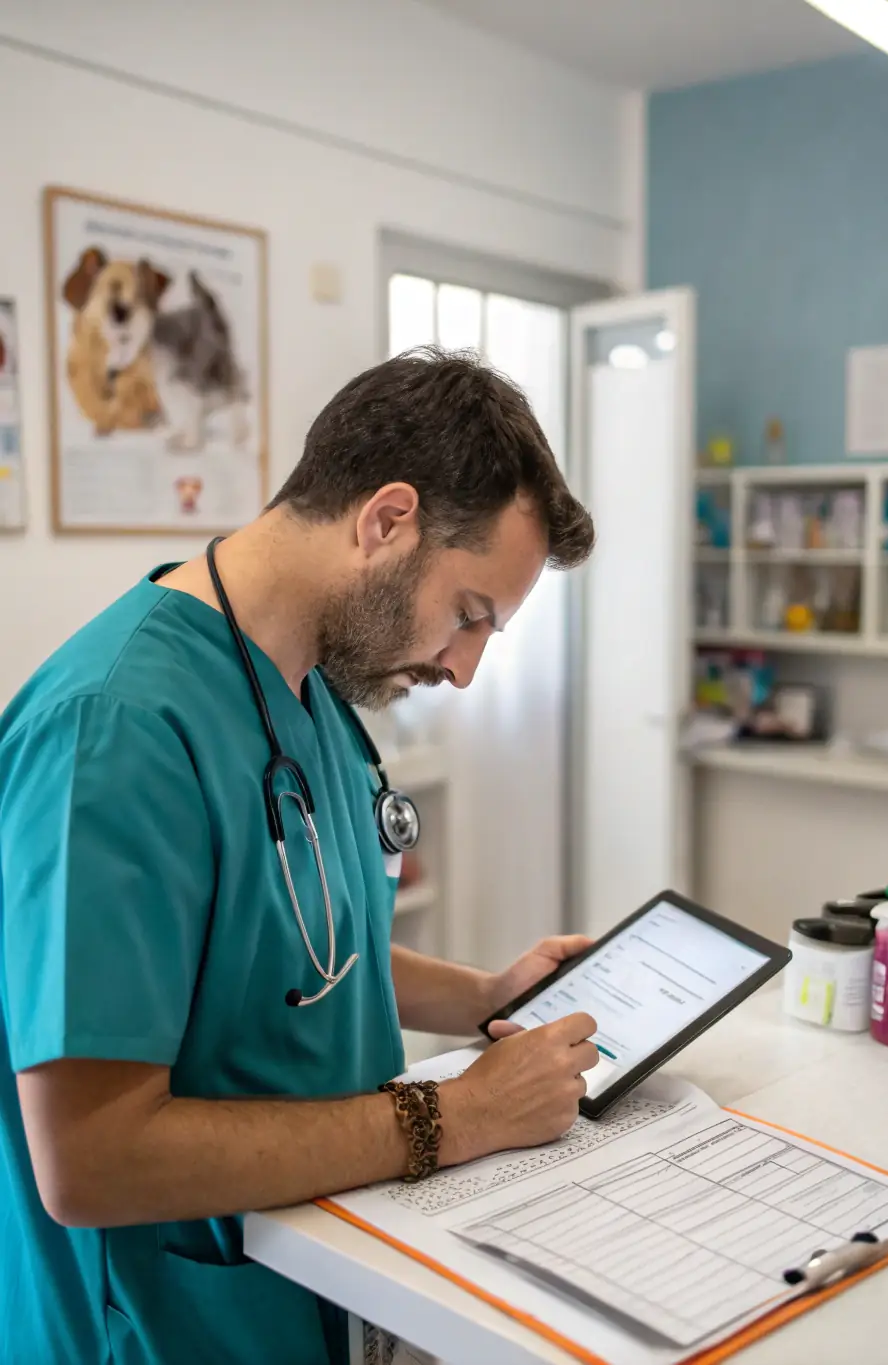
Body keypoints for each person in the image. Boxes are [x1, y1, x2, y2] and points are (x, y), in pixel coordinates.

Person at [0, 348, 600, 1365]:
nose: (463, 668)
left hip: (302, 1281)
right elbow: (89, 1159)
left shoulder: (310, 688)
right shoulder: (115, 733)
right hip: (158, 1324)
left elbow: (293, 945)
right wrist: (451, 1119)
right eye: (468, 615)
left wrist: (484, 995)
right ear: (386, 520)